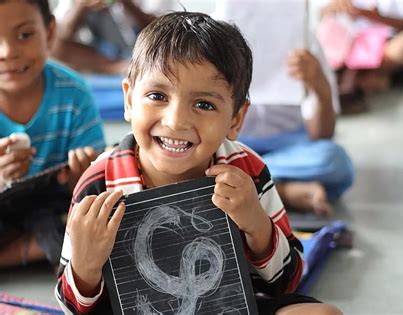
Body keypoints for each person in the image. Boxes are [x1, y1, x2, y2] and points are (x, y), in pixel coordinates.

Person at [55, 12, 342, 315]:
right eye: (157, 95)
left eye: (204, 104)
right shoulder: (99, 184)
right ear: (129, 101)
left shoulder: (247, 171)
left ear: (236, 119)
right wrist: (85, 268)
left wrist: (256, 224)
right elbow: (70, 305)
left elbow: (287, 282)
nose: (177, 121)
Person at [214, 0, 354, 217]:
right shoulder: (213, 42)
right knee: (197, 159)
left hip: (291, 146)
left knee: (333, 159)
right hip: (232, 145)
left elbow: (322, 134)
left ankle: (253, 181)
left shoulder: (306, 44)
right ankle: (282, 190)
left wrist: (320, 87)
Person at [0, 0, 106, 268]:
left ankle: (21, 249)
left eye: (25, 35)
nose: (8, 51)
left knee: (88, 230)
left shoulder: (74, 94)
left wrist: (79, 179)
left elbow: (99, 182)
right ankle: (26, 249)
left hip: (51, 208)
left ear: (49, 33)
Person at [320, 0, 403, 96]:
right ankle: (365, 79)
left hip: (392, 42)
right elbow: (323, 14)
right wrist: (334, 8)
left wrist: (376, 17)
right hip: (357, 43)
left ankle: (356, 78)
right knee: (326, 32)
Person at [51, 0, 179, 74]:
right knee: (53, 46)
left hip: (146, 48)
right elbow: (62, 34)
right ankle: (119, 67)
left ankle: (132, 64)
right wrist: (81, 6)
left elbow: (163, 30)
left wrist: (126, 3)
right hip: (102, 53)